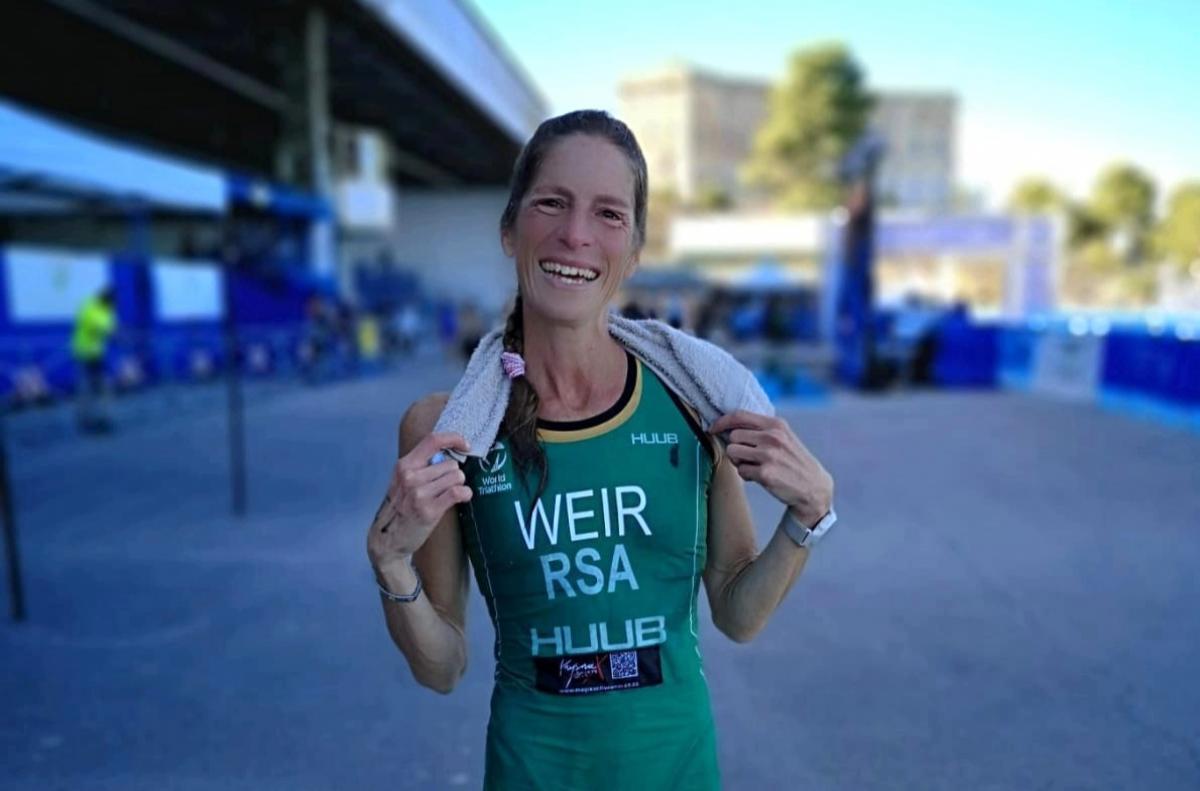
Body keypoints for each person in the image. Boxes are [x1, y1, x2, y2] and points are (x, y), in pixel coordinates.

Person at [366, 110, 836, 790]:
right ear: (509, 228)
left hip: (679, 770)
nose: (576, 234)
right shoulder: (448, 432)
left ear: (635, 251)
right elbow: (441, 666)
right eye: (551, 203)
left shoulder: (692, 402)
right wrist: (389, 557)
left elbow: (737, 611)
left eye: (608, 214)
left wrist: (808, 516)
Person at [71, 286, 118, 433]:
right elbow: (106, 330)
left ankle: (89, 418)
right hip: (88, 353)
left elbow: (110, 330)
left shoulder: (92, 306)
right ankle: (95, 419)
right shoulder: (93, 310)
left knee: (91, 387)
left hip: (91, 353)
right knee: (98, 387)